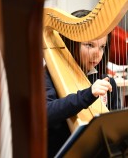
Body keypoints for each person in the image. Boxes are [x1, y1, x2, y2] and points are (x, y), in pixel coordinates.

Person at [45, 9, 121, 158]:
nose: (97, 54)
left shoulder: (107, 82)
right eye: (89, 45)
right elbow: (46, 113)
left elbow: (116, 126)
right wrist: (88, 94)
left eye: (102, 47)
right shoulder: (49, 75)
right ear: (70, 42)